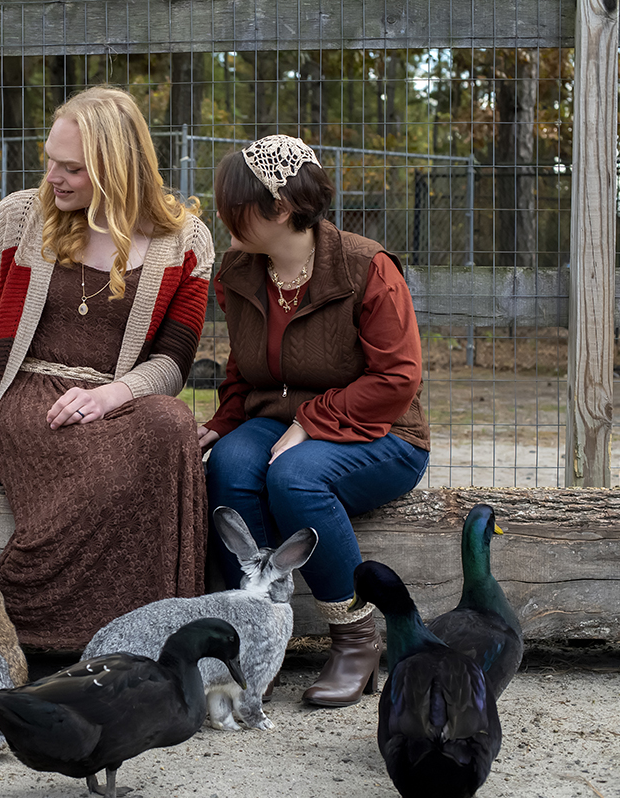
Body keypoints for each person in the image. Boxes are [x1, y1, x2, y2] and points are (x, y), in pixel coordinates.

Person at [0, 85, 215, 650]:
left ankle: (141, 636)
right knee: (117, 454)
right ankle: (18, 609)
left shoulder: (185, 242)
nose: (52, 177)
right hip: (27, 398)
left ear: (117, 171)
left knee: (170, 426)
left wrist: (112, 395)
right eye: (50, 160)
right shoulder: (18, 219)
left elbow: (173, 362)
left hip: (117, 399)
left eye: (71, 168)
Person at [198, 135, 429, 707]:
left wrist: (312, 419)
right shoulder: (240, 271)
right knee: (228, 465)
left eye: (234, 205)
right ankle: (258, 637)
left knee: (295, 477)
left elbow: (398, 378)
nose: (221, 215)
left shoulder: (365, 267)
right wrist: (226, 422)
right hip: (277, 420)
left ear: (280, 208)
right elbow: (243, 365)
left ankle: (356, 639)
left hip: (380, 430)